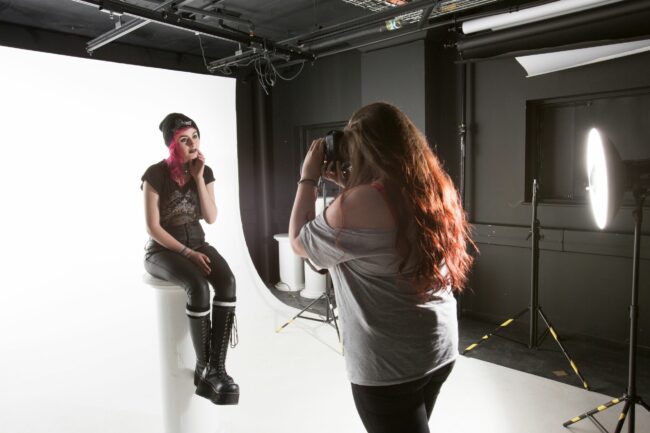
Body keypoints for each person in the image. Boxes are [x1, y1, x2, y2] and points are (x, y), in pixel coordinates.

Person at [289, 102, 474, 433]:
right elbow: (387, 225)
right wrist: (350, 187)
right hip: (437, 348)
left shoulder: (356, 203)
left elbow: (299, 242)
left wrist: (308, 177)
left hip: (390, 366)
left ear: (362, 147)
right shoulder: (430, 186)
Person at [141, 113, 239, 405]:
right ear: (172, 144)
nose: (192, 143)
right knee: (198, 287)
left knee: (228, 282)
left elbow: (210, 217)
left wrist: (198, 177)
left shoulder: (204, 172)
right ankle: (204, 366)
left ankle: (216, 368)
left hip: (198, 242)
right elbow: (152, 227)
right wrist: (186, 253)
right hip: (162, 250)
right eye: (184, 139)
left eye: (195, 136)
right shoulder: (155, 174)